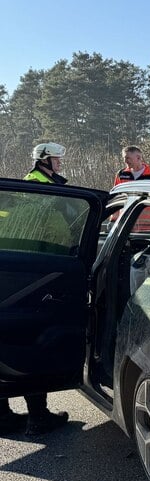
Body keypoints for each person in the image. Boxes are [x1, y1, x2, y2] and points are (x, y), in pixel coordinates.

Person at [0, 143, 71, 436]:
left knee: (6, 347)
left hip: (10, 274)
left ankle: (3, 417)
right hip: (37, 276)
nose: (59, 163)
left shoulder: (19, 189)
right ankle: (39, 417)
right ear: (44, 161)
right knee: (34, 345)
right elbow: (62, 236)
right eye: (56, 159)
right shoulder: (46, 193)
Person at [111, 145, 150, 231]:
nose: (125, 161)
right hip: (126, 226)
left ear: (138, 157)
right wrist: (113, 221)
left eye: (128, 158)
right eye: (124, 158)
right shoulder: (121, 175)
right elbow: (116, 200)